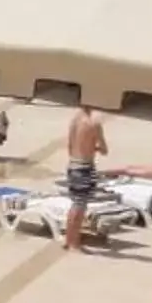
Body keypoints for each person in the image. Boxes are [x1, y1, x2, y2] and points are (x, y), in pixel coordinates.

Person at [63, 104, 108, 252]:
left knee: (75, 204)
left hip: (73, 165)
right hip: (85, 167)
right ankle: (74, 242)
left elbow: (70, 147)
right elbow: (104, 150)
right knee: (80, 206)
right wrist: (93, 147)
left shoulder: (74, 120)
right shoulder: (94, 124)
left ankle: (68, 239)